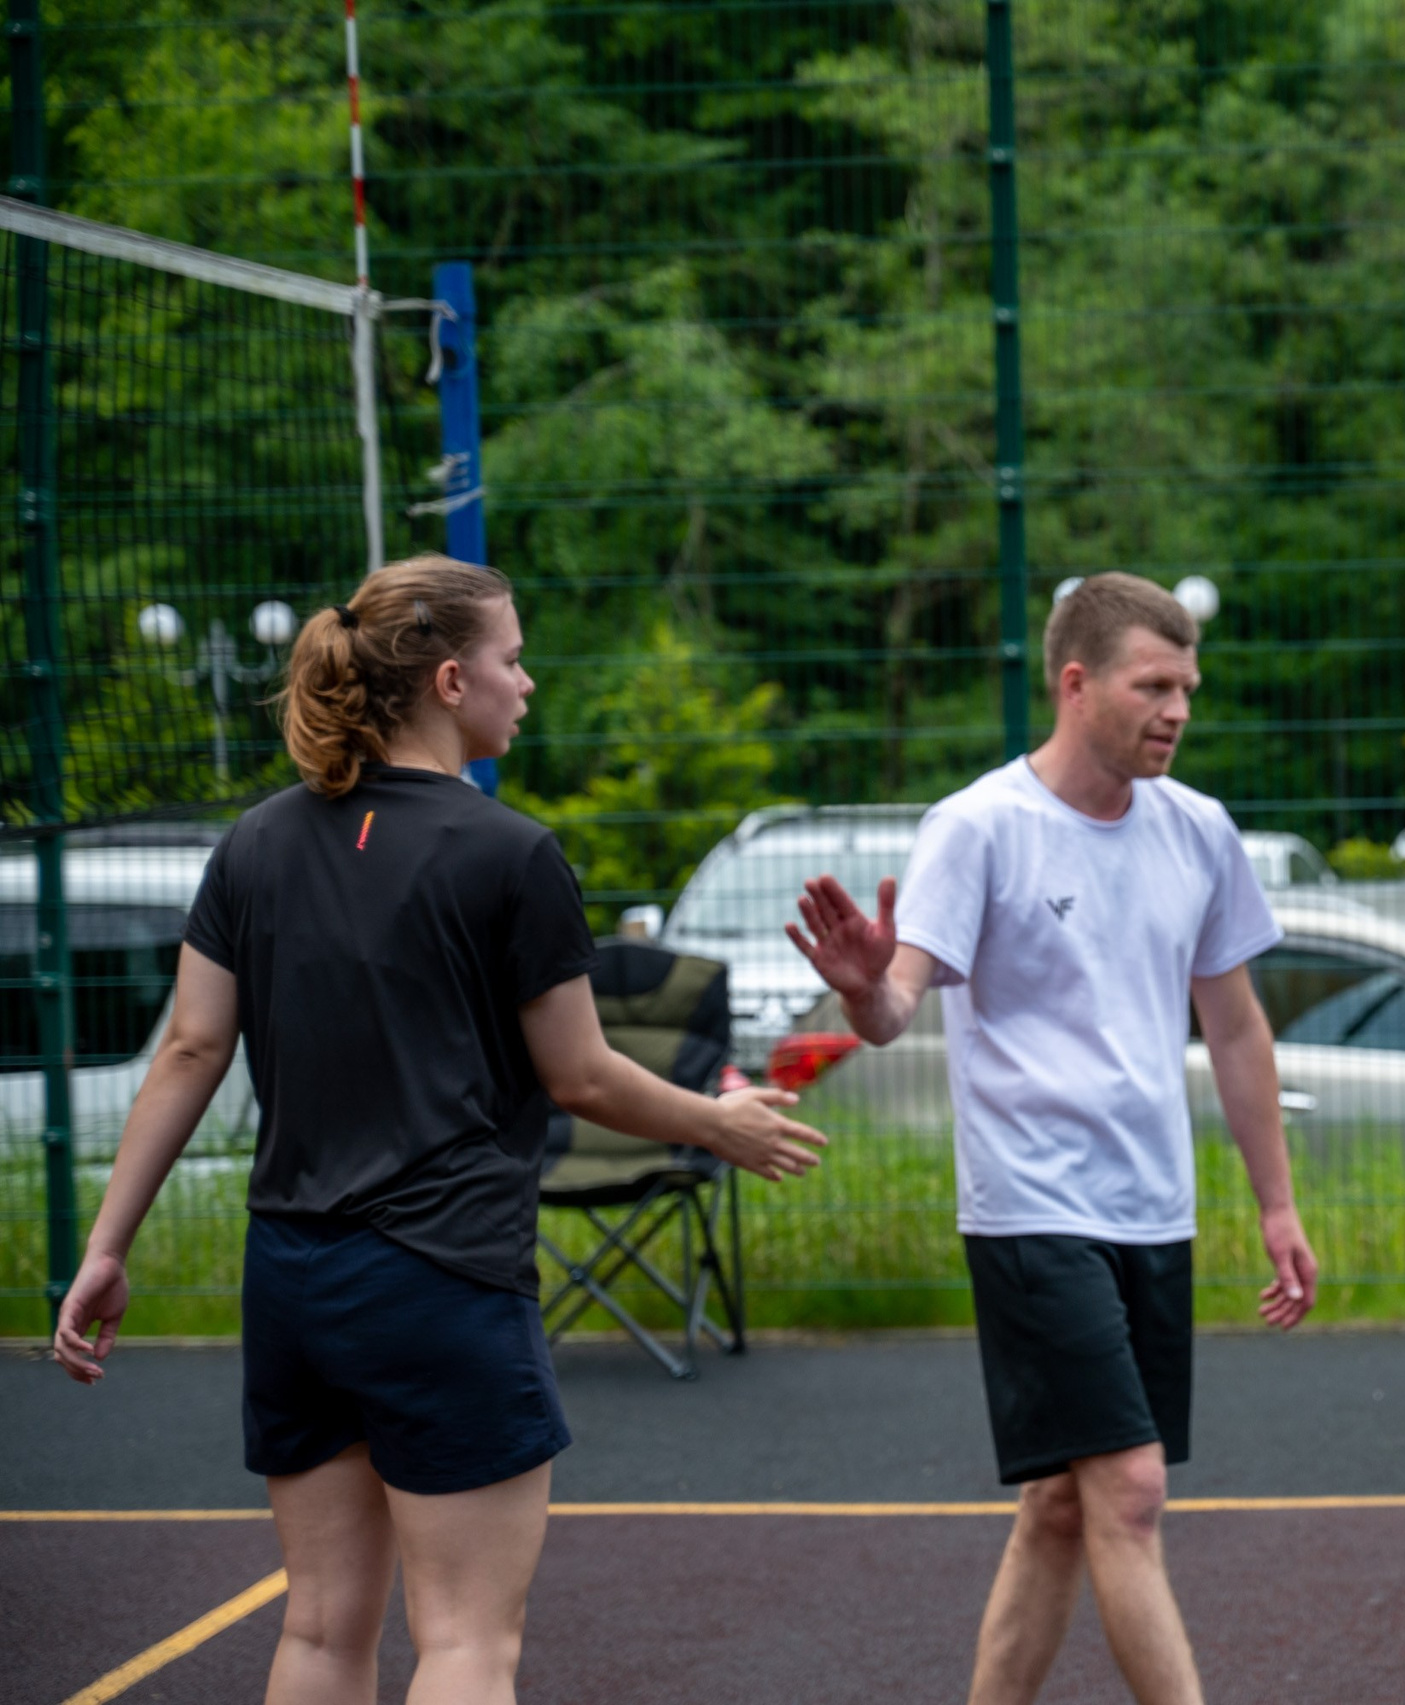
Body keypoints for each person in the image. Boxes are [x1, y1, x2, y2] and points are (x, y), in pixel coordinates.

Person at [51, 555, 826, 1705]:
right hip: (441, 1277)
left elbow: (189, 1053)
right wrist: (718, 1123)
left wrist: (106, 1246)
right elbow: (581, 1077)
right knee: (464, 1643)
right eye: (513, 659)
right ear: (453, 680)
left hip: (293, 1281)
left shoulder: (256, 844)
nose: (529, 681)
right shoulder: (508, 853)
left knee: (319, 1632)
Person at [790, 571, 1317, 1705]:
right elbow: (894, 1011)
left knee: (1063, 1503)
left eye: (1188, 687)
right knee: (1128, 1490)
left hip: (1151, 1206)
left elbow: (1233, 1028)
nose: (1177, 708)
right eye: (1153, 685)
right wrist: (860, 988)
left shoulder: (1200, 832)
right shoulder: (979, 828)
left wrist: (1276, 1204)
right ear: (1076, 685)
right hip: (1030, 1205)